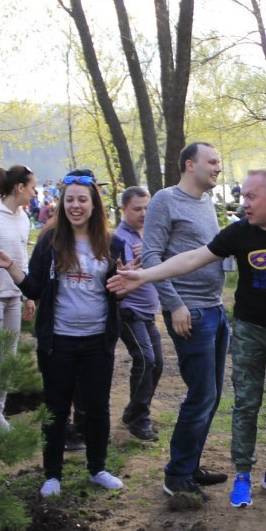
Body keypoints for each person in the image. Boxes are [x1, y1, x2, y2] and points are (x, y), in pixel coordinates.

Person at [110, 169, 266, 509]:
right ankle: (243, 475)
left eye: (250, 197)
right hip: (250, 331)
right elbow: (191, 258)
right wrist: (143, 276)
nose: (243, 203)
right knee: (246, 404)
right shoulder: (238, 233)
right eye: (243, 196)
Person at [0, 169, 125, 497]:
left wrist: (126, 283)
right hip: (59, 340)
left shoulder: (112, 242)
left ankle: (97, 468)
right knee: (56, 407)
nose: (75, 206)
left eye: (82, 200)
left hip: (98, 339)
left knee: (97, 406)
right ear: (61, 204)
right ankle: (52, 474)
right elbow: (36, 288)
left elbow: (116, 292)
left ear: (93, 204)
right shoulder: (50, 240)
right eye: (69, 200)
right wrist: (9, 266)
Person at [142, 143, 230, 503]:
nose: (218, 168)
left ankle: (190, 465)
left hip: (214, 308)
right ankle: (176, 476)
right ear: (189, 164)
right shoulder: (165, 200)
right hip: (189, 312)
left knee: (213, 395)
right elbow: (150, 255)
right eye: (212, 162)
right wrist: (174, 304)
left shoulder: (206, 201)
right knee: (201, 395)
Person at [0, 164, 37, 441]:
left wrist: (27, 294)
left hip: (14, 296)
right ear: (19, 188)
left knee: (8, 357)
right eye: (31, 187)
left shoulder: (24, 218)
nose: (34, 192)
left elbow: (22, 258)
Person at [112, 186, 163, 443]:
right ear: (124, 209)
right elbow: (117, 275)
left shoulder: (151, 234)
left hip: (148, 311)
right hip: (128, 310)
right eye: (137, 209)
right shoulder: (119, 239)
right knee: (145, 360)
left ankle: (133, 412)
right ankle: (139, 420)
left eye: (147, 208)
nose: (144, 213)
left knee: (158, 365)